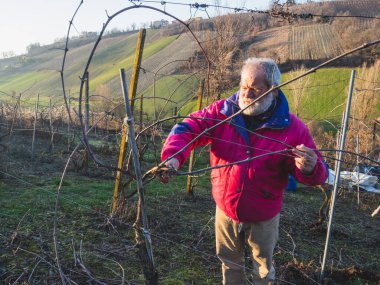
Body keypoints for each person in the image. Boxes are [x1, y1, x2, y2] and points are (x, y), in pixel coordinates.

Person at [160, 58, 328, 285]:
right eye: (243, 87)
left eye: (255, 89)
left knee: (263, 267)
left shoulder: (292, 128)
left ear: (273, 91)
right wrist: (172, 157)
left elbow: (319, 173)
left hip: (264, 215)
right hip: (225, 209)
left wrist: (310, 168)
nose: (246, 94)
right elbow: (189, 126)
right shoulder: (223, 112)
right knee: (229, 262)